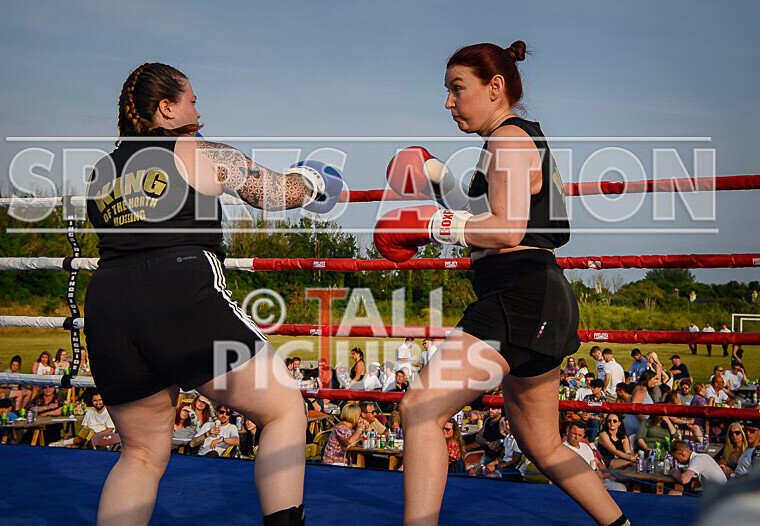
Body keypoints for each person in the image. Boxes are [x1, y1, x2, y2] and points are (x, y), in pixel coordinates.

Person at [374, 42, 627, 525]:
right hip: (537, 296)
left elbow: (507, 229)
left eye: (457, 89)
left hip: (520, 294)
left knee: (422, 408)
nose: (449, 103)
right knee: (545, 447)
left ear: (495, 88)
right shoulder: (513, 141)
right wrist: (436, 177)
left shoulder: (508, 140)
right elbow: (486, 217)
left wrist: (429, 226)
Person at [83, 63, 340, 525]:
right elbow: (275, 193)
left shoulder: (101, 172)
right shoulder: (196, 150)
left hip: (108, 305)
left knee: (140, 453)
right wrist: (317, 181)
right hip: (178, 288)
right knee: (283, 409)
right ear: (166, 107)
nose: (198, 109)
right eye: (192, 100)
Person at [564, 421, 627, 492]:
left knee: (621, 488)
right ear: (567, 431)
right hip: (581, 486)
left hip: (595, 482)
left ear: (583, 435)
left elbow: (596, 468)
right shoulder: (564, 449)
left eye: (580, 435)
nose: (576, 437)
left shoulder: (585, 446)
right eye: (574, 434)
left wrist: (600, 481)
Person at [50, 392, 115, 447]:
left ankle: (64, 443)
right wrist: (88, 435)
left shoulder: (109, 412)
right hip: (88, 436)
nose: (98, 403)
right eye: (95, 401)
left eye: (100, 400)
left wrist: (95, 435)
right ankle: (65, 444)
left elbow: (110, 429)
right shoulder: (89, 412)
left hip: (103, 437)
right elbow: (84, 427)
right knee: (82, 437)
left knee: (79, 441)